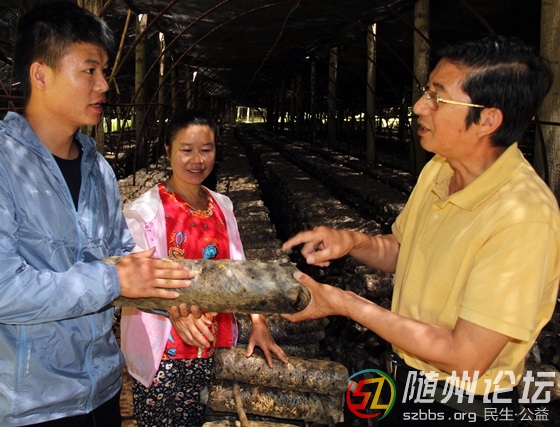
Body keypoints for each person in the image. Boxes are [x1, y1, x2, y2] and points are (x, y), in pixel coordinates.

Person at [0, 3, 195, 426]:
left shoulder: (98, 169)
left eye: (103, 70)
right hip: (27, 407)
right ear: (41, 75)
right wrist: (114, 279)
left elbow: (123, 257)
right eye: (89, 70)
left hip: (102, 394)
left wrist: (168, 298)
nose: (103, 84)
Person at [281, 35, 560, 425]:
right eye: (426, 91)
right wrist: (353, 242)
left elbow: (466, 356)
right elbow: (403, 251)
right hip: (404, 381)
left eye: (437, 97)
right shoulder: (441, 168)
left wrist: (346, 303)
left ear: (487, 120)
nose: (418, 106)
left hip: (461, 406)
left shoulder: (522, 216)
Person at [120, 110, 288, 427]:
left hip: (215, 345)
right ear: (168, 151)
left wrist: (258, 321)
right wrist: (173, 310)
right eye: (186, 150)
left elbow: (238, 269)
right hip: (164, 355)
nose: (197, 160)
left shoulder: (221, 205)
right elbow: (133, 281)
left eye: (206, 149)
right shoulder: (143, 212)